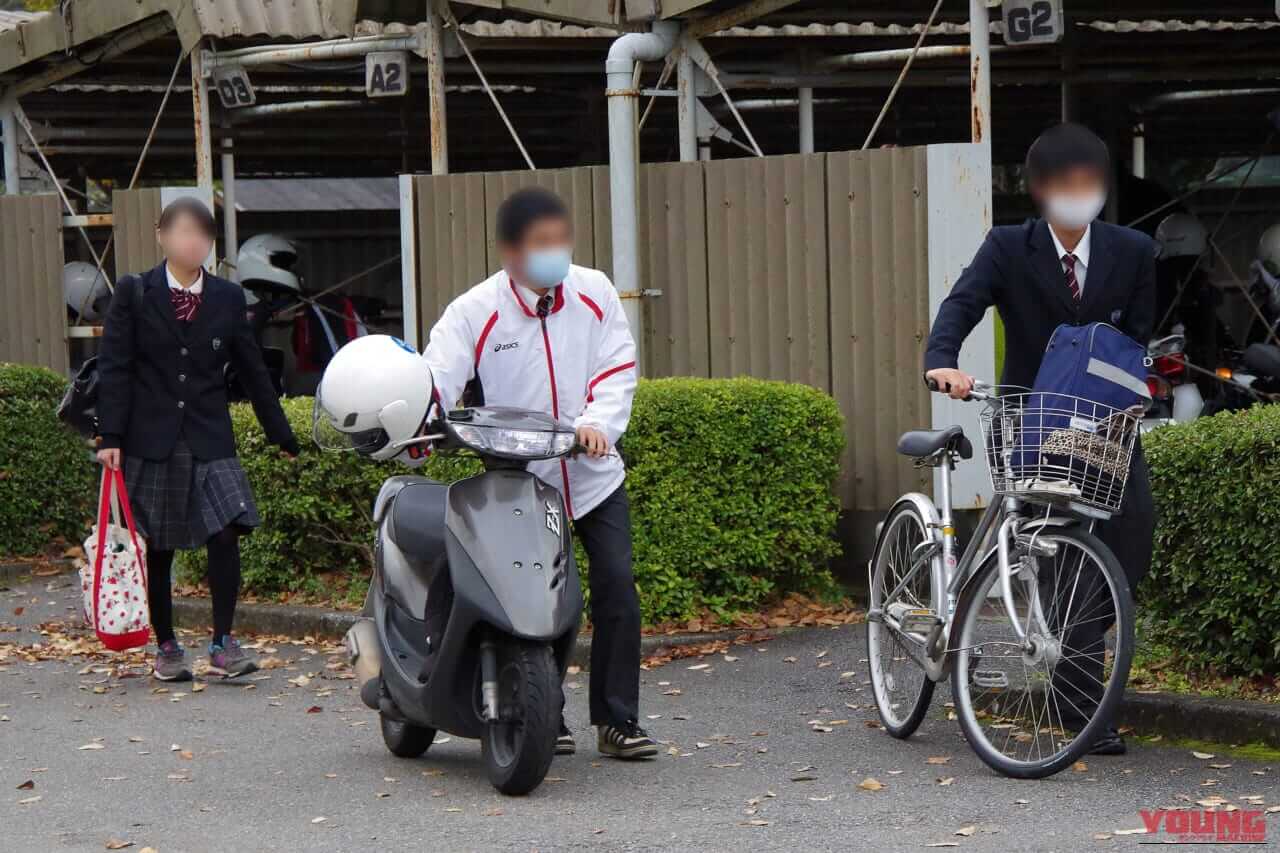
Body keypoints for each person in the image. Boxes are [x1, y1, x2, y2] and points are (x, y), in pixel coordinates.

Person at [923, 122, 1157, 756]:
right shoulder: (1008, 247)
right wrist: (942, 359)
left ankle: (1083, 643)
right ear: (1041, 190)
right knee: (1060, 547)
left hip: (1107, 423)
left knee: (1130, 532)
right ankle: (1087, 708)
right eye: (1065, 183)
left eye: (1089, 182)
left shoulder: (1134, 251)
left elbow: (1138, 338)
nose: (1078, 193)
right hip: (1034, 419)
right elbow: (960, 305)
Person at [421, 186, 655, 760]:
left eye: (560, 241)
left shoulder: (594, 291)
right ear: (509, 252)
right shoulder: (474, 312)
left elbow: (618, 365)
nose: (556, 254)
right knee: (530, 595)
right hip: (520, 483)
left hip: (594, 474)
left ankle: (618, 720)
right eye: (541, 243)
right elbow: (435, 382)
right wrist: (420, 424)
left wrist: (598, 422)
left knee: (617, 589)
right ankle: (543, 713)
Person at [96, 197, 300, 682]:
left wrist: (282, 434)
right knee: (160, 545)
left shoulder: (228, 298)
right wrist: (111, 435)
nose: (194, 242)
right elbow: (115, 365)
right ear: (162, 235)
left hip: (211, 435)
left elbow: (251, 368)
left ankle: (223, 643)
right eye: (184, 233)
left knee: (226, 530)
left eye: (203, 235)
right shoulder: (135, 292)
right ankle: (166, 646)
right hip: (153, 436)